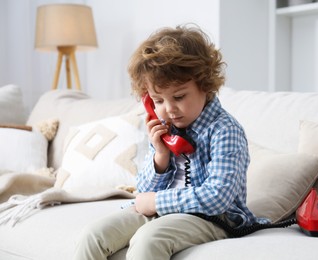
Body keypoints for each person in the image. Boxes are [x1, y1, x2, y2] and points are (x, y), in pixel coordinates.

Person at [73, 24, 269, 260]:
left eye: (178, 97)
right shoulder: (166, 129)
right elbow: (144, 193)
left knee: (148, 240)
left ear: (205, 86)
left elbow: (217, 197)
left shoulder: (225, 131)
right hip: (163, 211)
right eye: (158, 100)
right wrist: (160, 157)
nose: (169, 109)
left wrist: (157, 201)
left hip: (212, 218)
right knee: (92, 236)